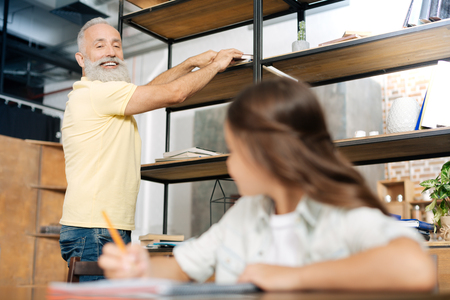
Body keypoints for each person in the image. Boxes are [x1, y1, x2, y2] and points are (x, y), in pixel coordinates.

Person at [98, 78, 436, 291]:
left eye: (235, 151)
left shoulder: (338, 212)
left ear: (269, 153)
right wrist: (140, 268)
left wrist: (292, 276)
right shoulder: (246, 213)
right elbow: (181, 267)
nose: (229, 163)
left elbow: (416, 269)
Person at [59, 17, 243, 281]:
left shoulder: (103, 95)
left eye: (116, 45)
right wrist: (216, 66)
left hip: (100, 227)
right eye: (100, 46)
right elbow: (174, 94)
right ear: (81, 59)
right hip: (95, 228)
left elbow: (151, 90)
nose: (111, 52)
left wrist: (191, 63)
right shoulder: (95, 93)